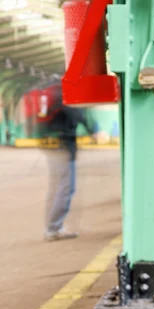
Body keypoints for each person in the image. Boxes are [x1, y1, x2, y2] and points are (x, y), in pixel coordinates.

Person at [43, 83, 102, 241]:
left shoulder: (56, 93)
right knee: (66, 188)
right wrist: (93, 131)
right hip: (62, 147)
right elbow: (78, 114)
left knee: (60, 188)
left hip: (53, 145)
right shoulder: (67, 95)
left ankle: (54, 226)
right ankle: (53, 229)